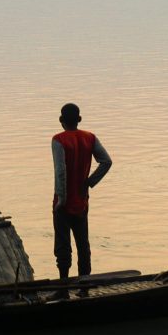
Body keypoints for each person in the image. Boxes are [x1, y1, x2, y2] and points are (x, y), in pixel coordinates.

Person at [52, 102, 113, 279]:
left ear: (61, 120)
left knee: (63, 247)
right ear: (79, 119)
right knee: (83, 246)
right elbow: (106, 162)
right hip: (82, 201)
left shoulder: (58, 140)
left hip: (63, 203)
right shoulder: (90, 138)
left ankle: (64, 287)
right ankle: (84, 286)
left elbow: (60, 171)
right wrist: (89, 182)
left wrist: (61, 200)